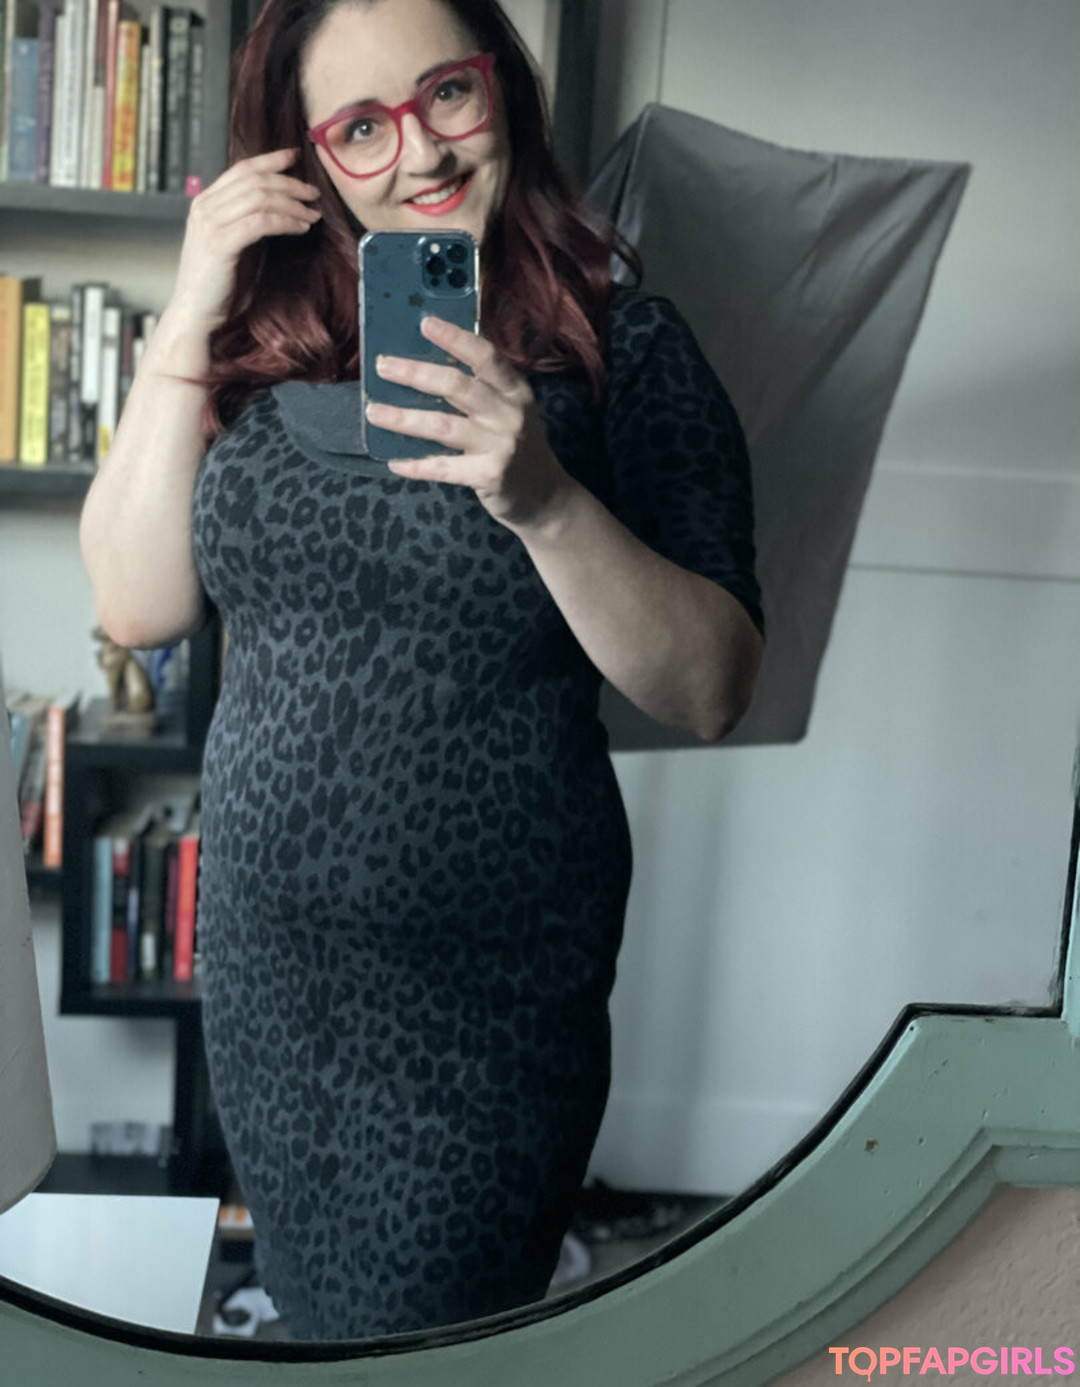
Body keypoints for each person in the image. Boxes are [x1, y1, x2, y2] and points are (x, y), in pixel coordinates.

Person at [79, 0, 766, 1343]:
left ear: (502, 87)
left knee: (429, 1337)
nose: (422, 153)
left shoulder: (626, 349)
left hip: (486, 996)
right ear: (305, 158)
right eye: (360, 127)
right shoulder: (251, 354)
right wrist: (193, 303)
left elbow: (712, 686)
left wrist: (545, 499)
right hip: (271, 974)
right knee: (324, 1320)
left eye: (447, 93)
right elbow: (134, 600)